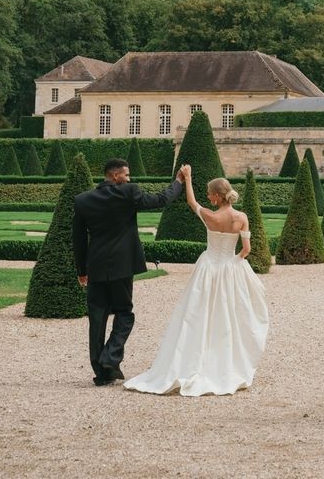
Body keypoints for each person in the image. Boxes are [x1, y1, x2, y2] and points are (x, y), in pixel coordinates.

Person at [124, 165, 269, 396]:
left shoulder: (211, 217)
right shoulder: (241, 217)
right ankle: (226, 362)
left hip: (208, 267)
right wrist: (233, 263)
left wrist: (188, 178)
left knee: (197, 314)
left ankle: (194, 357)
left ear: (217, 196)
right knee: (228, 315)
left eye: (210, 193)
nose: (208, 196)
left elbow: (192, 203)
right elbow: (247, 250)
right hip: (229, 268)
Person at [72, 157, 185, 386]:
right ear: (115, 176)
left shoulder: (82, 200)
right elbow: (160, 200)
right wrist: (179, 182)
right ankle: (110, 357)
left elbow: (79, 239)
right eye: (127, 174)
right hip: (122, 266)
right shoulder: (128, 192)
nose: (129, 178)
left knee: (97, 317)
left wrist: (82, 269)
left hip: (96, 265)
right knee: (124, 312)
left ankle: (101, 373)